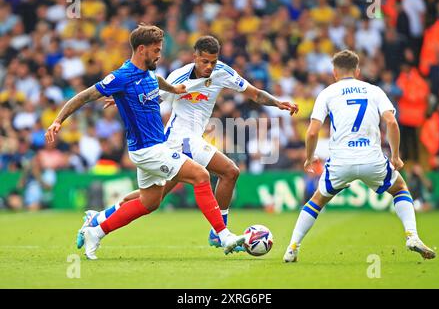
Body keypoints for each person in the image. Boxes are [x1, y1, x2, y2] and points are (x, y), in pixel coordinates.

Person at [80, 35, 298, 251]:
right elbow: (150, 97)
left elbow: (255, 94)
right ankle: (220, 232)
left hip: (191, 139)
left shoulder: (223, 72)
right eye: (205, 61)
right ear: (195, 57)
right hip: (178, 137)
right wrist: (121, 99)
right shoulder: (178, 76)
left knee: (152, 198)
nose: (209, 66)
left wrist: (277, 103)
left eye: (213, 61)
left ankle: (98, 218)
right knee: (230, 171)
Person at [45, 25, 245, 260]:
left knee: (149, 202)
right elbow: (85, 95)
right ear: (141, 49)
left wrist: (173, 88)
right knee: (200, 175)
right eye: (156, 50)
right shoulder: (121, 77)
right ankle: (223, 235)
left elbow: (156, 80)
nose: (160, 54)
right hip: (148, 150)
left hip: (155, 147)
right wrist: (58, 120)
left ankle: (96, 229)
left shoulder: (149, 71)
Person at [283, 50, 436, 263]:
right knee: (400, 188)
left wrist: (309, 157)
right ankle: (412, 235)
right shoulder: (374, 90)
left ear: (334, 72)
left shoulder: (327, 92)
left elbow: (311, 131)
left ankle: (292, 248)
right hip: (371, 159)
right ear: (357, 71)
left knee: (317, 200)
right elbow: (391, 122)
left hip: (340, 161)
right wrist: (395, 156)